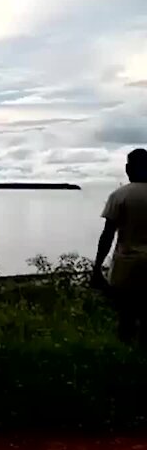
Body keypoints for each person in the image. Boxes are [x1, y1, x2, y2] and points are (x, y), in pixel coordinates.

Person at [92, 148, 147, 347]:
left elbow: (108, 235)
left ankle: (125, 360)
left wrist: (97, 267)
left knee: (126, 318)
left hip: (126, 268)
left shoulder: (119, 195)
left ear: (128, 168)